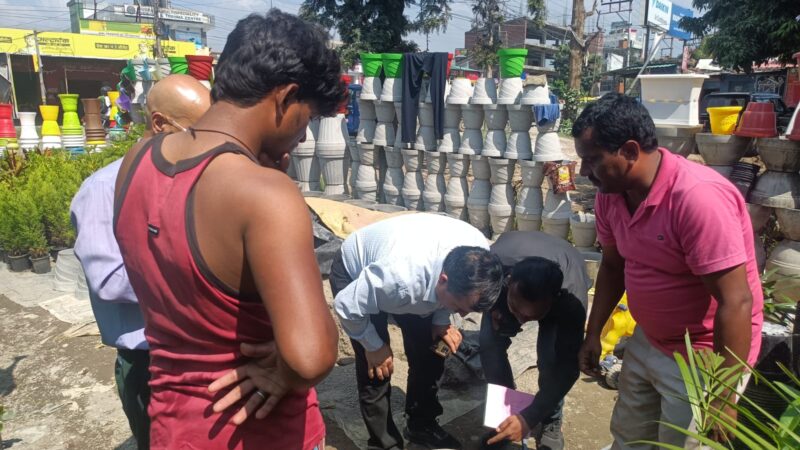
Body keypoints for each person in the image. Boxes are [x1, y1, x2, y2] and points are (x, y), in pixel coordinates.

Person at [113, 10, 346, 450]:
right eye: (308, 117)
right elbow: (312, 357)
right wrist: (287, 369)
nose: (303, 135)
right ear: (286, 96)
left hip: (173, 426)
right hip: (259, 432)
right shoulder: (264, 195)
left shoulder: (138, 158)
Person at [574, 93, 763, 449]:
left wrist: (722, 397)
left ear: (630, 152)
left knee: (680, 444)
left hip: (706, 352)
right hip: (651, 338)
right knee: (630, 436)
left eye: (592, 160)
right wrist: (593, 332)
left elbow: (735, 301)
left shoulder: (696, 199)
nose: (585, 172)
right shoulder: (610, 194)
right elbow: (614, 266)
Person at [71, 74, 211, 450]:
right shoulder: (104, 188)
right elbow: (110, 279)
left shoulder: (190, 179)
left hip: (196, 349)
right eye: (198, 132)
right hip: (148, 357)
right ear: (161, 124)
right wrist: (199, 281)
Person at [330, 213, 504, 450]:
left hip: (416, 275)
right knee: (378, 369)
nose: (462, 316)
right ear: (443, 280)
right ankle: (383, 443)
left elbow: (450, 299)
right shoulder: (399, 279)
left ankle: (421, 425)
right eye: (459, 308)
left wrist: (442, 320)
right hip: (357, 272)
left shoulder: (480, 261)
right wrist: (373, 345)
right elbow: (346, 305)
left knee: (434, 352)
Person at [480, 231, 590, 450]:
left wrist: (531, 416)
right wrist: (496, 307)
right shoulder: (493, 268)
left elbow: (568, 369)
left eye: (530, 317)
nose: (521, 321)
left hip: (567, 266)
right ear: (508, 282)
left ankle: (551, 419)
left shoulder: (571, 301)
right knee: (490, 344)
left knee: (551, 359)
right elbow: (475, 293)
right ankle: (505, 413)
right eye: (517, 310)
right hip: (510, 266)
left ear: (552, 301)